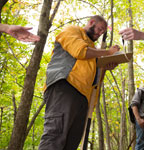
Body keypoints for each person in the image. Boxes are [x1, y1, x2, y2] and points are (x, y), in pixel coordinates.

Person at [39, 15, 120, 150]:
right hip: (65, 87)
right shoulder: (72, 31)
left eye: (102, 32)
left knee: (71, 143)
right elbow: (80, 51)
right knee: (55, 136)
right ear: (91, 22)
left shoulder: (93, 50)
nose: (100, 34)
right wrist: (107, 52)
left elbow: (95, 80)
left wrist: (104, 67)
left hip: (84, 99)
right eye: (100, 29)